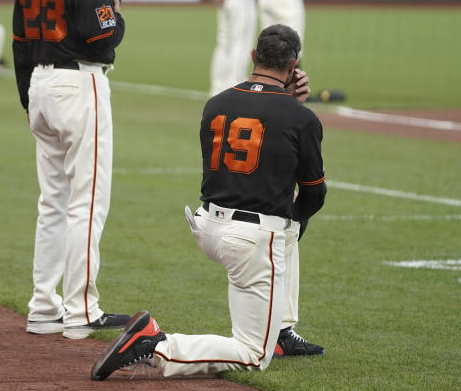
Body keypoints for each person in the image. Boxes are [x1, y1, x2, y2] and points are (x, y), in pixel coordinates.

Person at [91, 24, 327, 381]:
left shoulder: (216, 104)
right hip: (248, 241)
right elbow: (313, 194)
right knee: (252, 354)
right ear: (294, 65)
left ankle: (281, 329)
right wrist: (291, 217)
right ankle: (156, 344)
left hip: (208, 225)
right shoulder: (301, 118)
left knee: (289, 228)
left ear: (253, 57)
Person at [12, 0, 129, 340]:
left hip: (40, 83)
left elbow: (20, 42)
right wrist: (118, 18)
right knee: (88, 201)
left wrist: (28, 99)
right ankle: (82, 309)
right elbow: (102, 37)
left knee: (53, 203)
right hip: (80, 84)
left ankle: (44, 305)